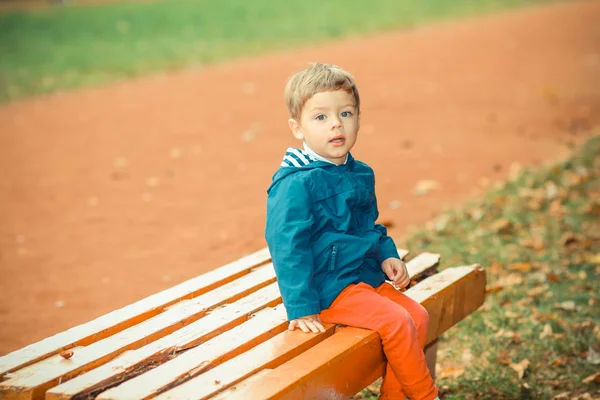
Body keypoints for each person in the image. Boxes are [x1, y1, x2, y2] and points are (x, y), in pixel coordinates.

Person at [265, 62, 439, 400]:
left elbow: (369, 227)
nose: (335, 124)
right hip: (328, 288)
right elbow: (287, 246)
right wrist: (301, 307)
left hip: (363, 278)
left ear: (358, 118)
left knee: (416, 316)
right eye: (320, 117)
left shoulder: (360, 173)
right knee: (397, 322)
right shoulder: (295, 184)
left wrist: (387, 254)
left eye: (345, 113)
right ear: (297, 128)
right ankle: (426, 395)